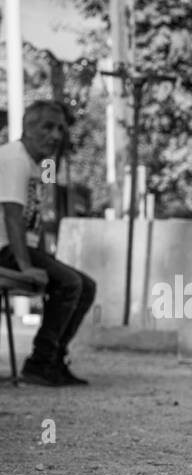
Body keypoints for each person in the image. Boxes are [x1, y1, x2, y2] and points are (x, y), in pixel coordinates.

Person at [0, 100, 95, 386]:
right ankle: (40, 364)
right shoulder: (14, 159)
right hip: (4, 250)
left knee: (85, 286)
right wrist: (27, 267)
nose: (56, 136)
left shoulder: (36, 165)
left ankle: (53, 359)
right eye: (48, 127)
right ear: (28, 128)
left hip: (17, 250)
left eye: (60, 129)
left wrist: (42, 258)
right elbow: (12, 216)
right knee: (70, 284)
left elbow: (32, 223)